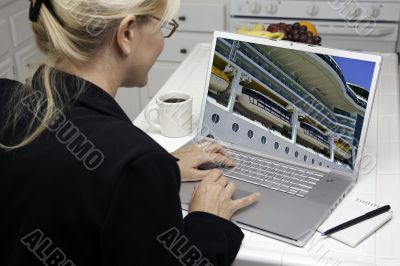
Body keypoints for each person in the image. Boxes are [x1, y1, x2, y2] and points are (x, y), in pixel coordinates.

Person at [0, 0, 260, 265]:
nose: (162, 42)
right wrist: (208, 221)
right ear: (126, 33)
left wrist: (151, 171)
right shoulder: (135, 163)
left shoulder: (6, 97)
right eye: (163, 29)